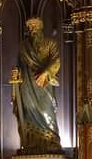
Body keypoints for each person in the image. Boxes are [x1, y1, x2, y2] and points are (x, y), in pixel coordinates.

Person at [10, 13, 65, 151]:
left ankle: (51, 141)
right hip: (27, 87)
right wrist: (17, 73)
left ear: (41, 27)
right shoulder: (24, 47)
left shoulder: (50, 44)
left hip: (44, 85)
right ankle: (30, 143)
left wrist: (45, 73)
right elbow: (21, 66)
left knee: (47, 111)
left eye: (34, 26)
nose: (32, 29)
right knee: (29, 112)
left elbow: (56, 61)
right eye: (29, 27)